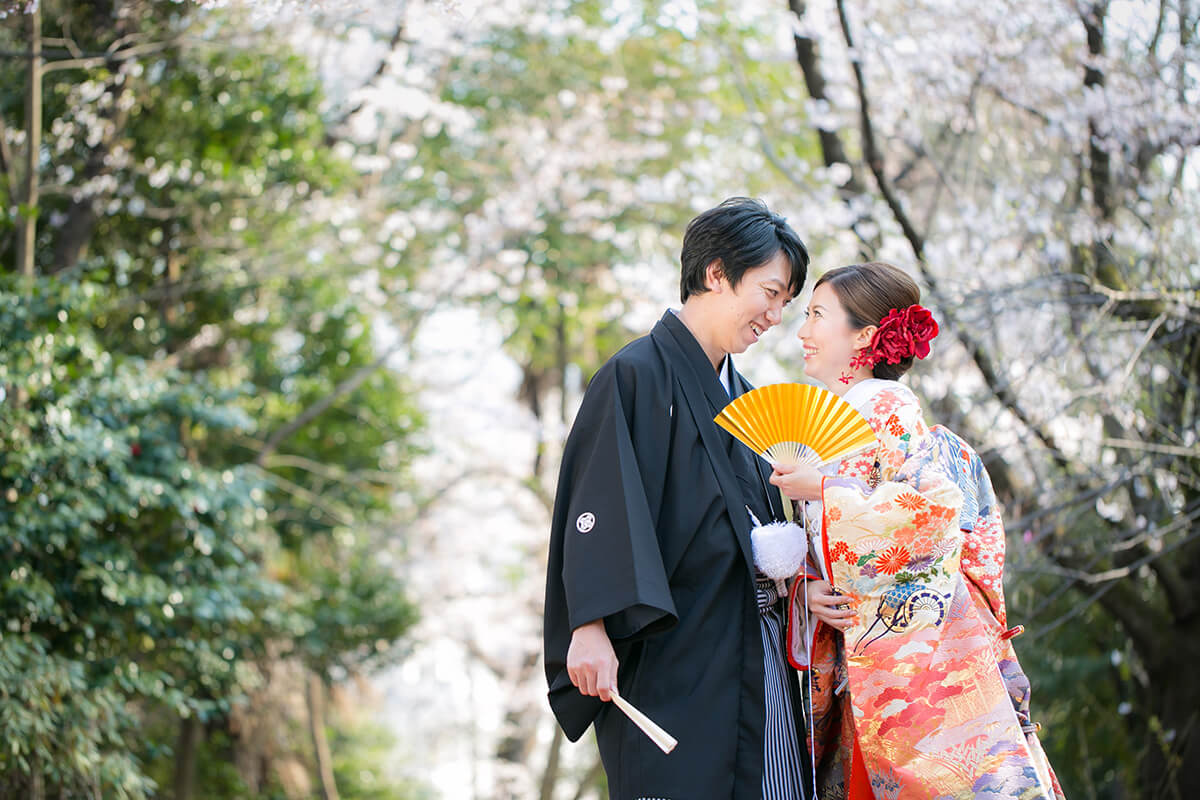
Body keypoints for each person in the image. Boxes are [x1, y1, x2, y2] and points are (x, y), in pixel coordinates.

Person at [543, 197, 811, 799]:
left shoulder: (748, 399)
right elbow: (593, 506)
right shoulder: (635, 374)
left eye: (785, 301)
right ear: (716, 273)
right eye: (769, 291)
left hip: (751, 647)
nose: (775, 314)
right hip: (674, 659)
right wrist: (586, 626)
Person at [768, 262, 1065, 800]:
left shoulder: (886, 406)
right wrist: (807, 591)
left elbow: (932, 513)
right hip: (864, 663)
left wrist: (829, 493)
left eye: (816, 315)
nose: (802, 331)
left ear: (863, 335)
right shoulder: (835, 417)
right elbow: (833, 552)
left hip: (917, 665)